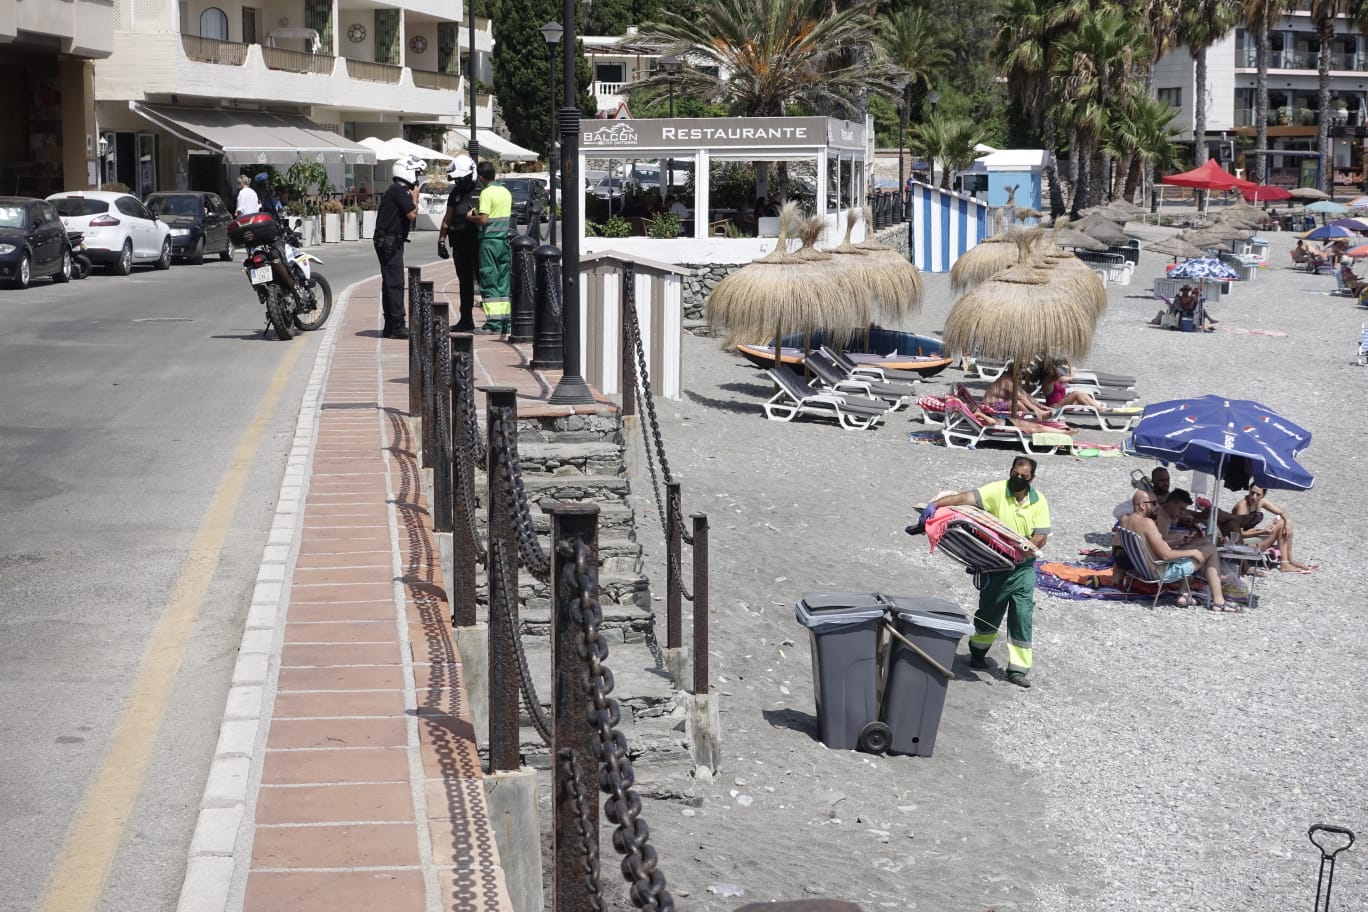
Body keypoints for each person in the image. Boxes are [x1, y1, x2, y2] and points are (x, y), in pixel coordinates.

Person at [923, 457, 1050, 687]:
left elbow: (1041, 535)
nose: (1018, 479)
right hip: (996, 566)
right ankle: (978, 653)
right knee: (989, 614)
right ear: (1010, 471)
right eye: (1015, 474)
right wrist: (937, 505)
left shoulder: (1038, 501)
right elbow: (965, 497)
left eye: (1024, 476)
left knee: (1022, 616)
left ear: (1032, 478)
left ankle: (1017, 670)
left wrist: (1026, 548)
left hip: (1023, 569)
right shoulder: (997, 490)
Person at [1120, 490, 1236, 612]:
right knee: (1210, 549)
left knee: (1199, 547)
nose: (1158, 506)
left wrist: (1181, 543)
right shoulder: (1147, 523)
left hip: (1141, 569)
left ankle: (1183, 593)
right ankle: (1218, 601)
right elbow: (1166, 555)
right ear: (1142, 505)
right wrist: (1193, 552)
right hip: (1160, 571)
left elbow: (1155, 546)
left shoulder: (1125, 519)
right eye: (1154, 503)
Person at [373, 154, 423, 340]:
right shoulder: (399, 190)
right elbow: (412, 214)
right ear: (407, 172)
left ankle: (390, 325)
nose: (417, 178)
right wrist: (415, 198)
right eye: (416, 173)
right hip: (389, 242)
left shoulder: (396, 190)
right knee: (395, 283)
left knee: (389, 283)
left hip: (389, 241)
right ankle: (398, 325)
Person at [466, 160, 513, 334]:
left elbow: (484, 219)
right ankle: (505, 322)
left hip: (489, 242)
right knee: (503, 281)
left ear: (480, 177)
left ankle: (493, 324)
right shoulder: (505, 192)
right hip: (503, 242)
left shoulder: (486, 193)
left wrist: (471, 217)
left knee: (489, 280)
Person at [437, 154, 481, 332]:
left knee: (485, 281)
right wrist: (441, 240)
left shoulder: (480, 190)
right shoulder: (456, 192)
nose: (460, 182)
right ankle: (466, 319)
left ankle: (496, 321)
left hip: (478, 242)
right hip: (460, 243)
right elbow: (448, 217)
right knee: (465, 283)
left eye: (462, 179)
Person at [1233, 485, 1317, 572]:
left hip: (1250, 539)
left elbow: (1282, 512)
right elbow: (1240, 534)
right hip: (1240, 543)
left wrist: (1288, 522)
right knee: (1280, 524)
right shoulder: (1242, 505)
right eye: (1252, 493)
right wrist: (1262, 531)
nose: (1254, 497)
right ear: (1249, 491)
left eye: (1258, 494)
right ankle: (1285, 563)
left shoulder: (1260, 502)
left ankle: (1290, 560)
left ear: (1263, 496)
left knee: (1283, 523)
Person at [981, 372, 1054, 420]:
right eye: (1021, 374)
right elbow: (1020, 397)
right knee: (1016, 403)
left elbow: (1025, 395)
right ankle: (1032, 418)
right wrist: (1036, 409)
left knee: (1018, 401)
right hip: (990, 407)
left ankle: (1034, 415)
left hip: (997, 406)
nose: (1022, 376)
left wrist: (1041, 406)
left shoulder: (1011, 381)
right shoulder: (1006, 380)